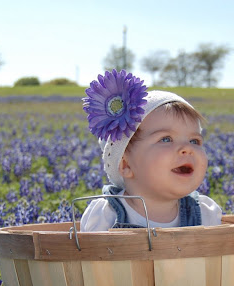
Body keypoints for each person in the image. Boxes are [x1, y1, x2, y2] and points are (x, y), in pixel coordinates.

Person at [79, 70, 222, 231]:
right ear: (126, 165)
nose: (187, 149)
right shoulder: (106, 216)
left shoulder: (206, 214)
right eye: (166, 139)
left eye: (194, 141)